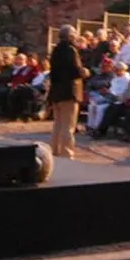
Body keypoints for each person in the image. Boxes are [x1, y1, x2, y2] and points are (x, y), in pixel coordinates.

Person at [47, 26, 83, 160]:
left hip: (56, 92)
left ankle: (55, 150)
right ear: (71, 36)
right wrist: (85, 72)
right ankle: (67, 153)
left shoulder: (55, 50)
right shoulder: (71, 50)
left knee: (57, 124)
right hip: (69, 92)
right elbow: (75, 71)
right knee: (68, 126)